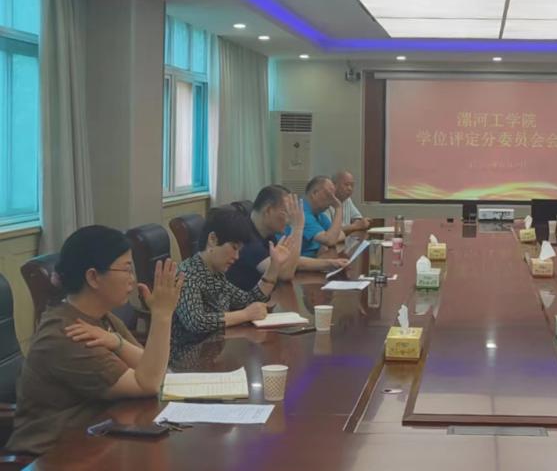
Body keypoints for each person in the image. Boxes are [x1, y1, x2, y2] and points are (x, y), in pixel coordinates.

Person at [8, 226, 183, 455]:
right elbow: (148, 383)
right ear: (93, 277)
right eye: (127, 270)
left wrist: (117, 342)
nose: (133, 279)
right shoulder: (68, 333)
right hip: (53, 456)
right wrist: (162, 315)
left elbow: (154, 370)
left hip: (99, 440)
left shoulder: (102, 318)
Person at [172, 209, 293, 348]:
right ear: (212, 239)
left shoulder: (216, 275)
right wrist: (245, 315)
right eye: (234, 248)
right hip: (187, 354)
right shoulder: (186, 274)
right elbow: (196, 322)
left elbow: (248, 300)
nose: (236, 257)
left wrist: (274, 266)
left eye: (239, 250)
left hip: (213, 349)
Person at [226, 185, 346, 290]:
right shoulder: (246, 240)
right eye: (286, 213)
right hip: (244, 304)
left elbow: (290, 261)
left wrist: (329, 263)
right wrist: (297, 227)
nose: (289, 220)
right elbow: (285, 273)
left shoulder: (267, 233)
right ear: (268, 210)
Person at [329, 170, 371, 237]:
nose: (350, 188)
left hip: (345, 239)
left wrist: (359, 223)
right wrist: (355, 226)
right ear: (334, 185)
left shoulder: (347, 200)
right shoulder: (325, 202)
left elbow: (357, 218)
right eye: (346, 184)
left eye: (352, 185)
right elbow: (330, 232)